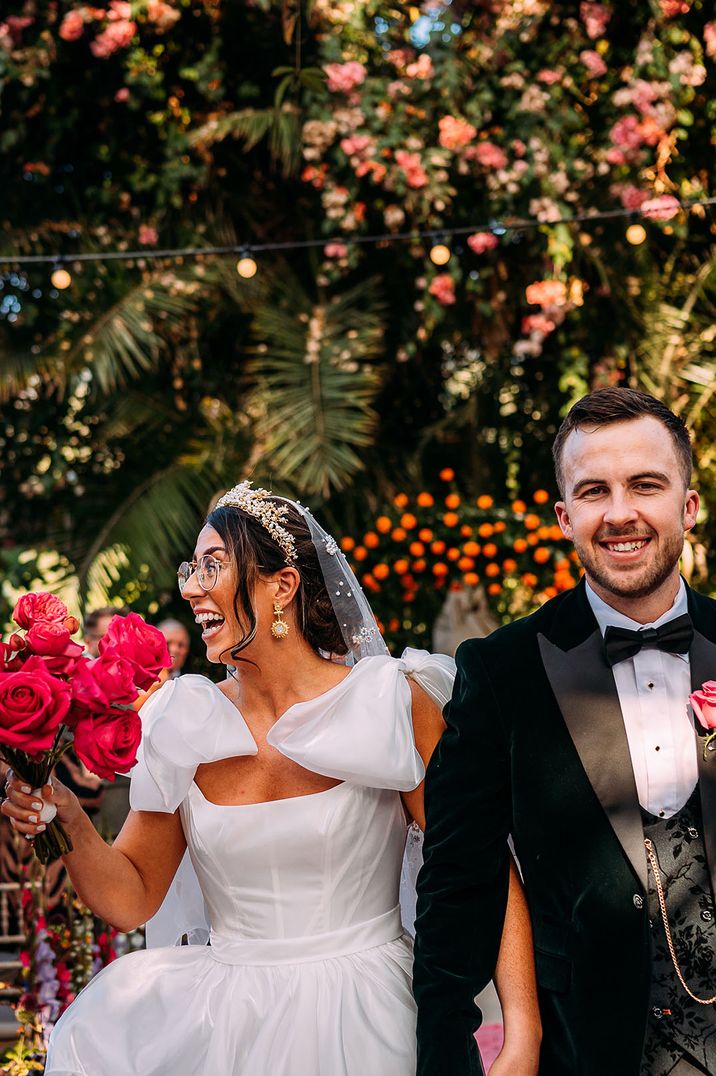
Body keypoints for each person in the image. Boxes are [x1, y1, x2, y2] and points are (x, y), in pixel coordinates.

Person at [3, 483, 539, 1075]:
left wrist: (522, 1032)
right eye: (191, 566)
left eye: (213, 564)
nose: (190, 586)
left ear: (281, 586)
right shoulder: (179, 719)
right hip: (229, 1024)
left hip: (371, 1015)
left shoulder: (389, 702)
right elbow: (130, 899)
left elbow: (480, 864)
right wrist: (66, 815)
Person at [414, 387, 716, 1076]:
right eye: (593, 491)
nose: (619, 513)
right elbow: (459, 883)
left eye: (645, 485)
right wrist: (449, 1059)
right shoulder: (500, 672)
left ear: (689, 506)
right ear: (564, 515)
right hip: (589, 1051)